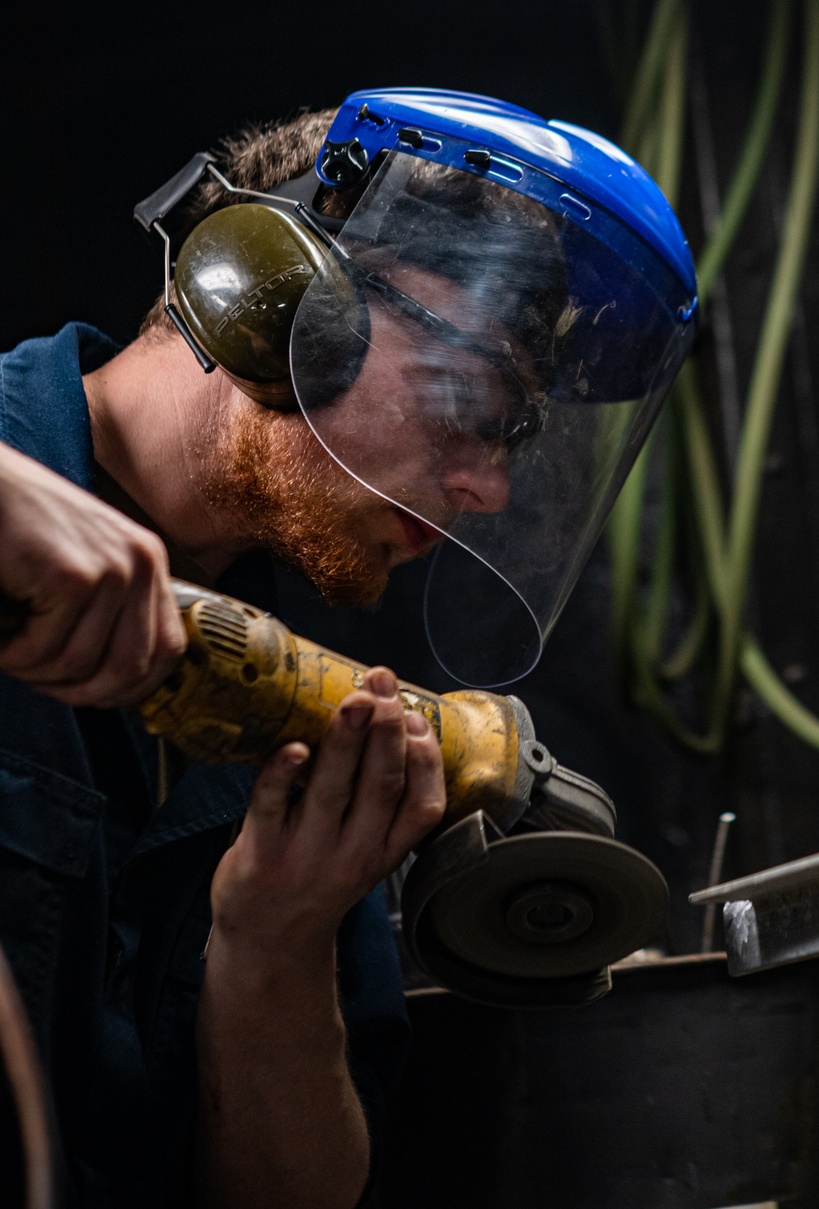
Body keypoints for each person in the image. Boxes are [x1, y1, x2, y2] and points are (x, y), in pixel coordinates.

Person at [0, 88, 698, 1207]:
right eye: (468, 399)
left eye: (513, 435)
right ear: (267, 296)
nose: (489, 486)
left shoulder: (303, 700)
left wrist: (272, 944)